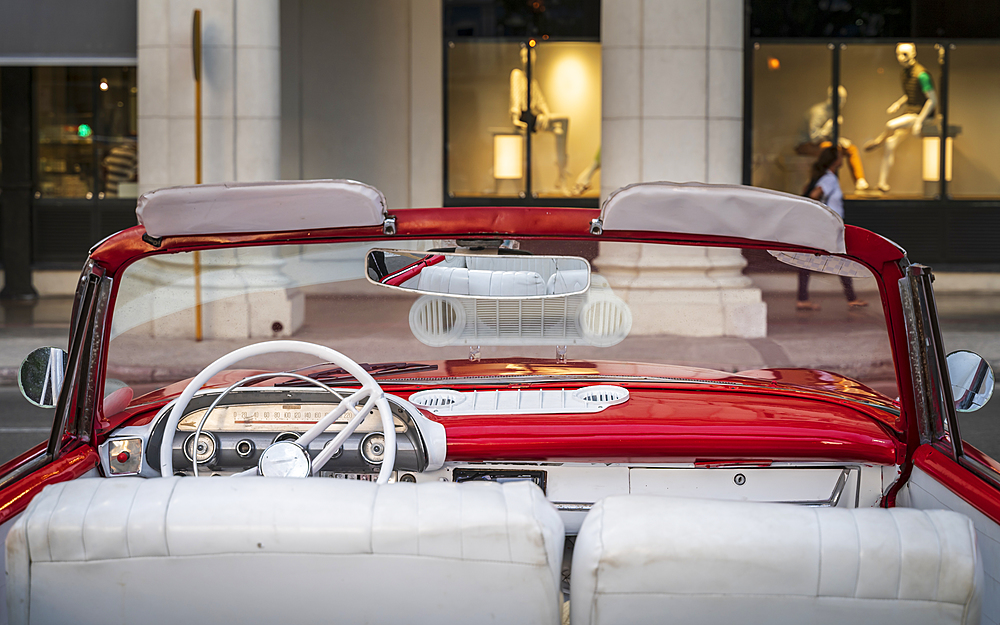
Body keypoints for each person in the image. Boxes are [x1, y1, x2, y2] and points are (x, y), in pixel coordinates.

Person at [797, 146, 868, 311]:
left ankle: (803, 298)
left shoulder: (822, 176)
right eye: (839, 156)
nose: (842, 158)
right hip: (828, 226)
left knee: (810, 259)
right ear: (834, 160)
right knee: (840, 259)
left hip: (825, 225)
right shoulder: (829, 179)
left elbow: (807, 192)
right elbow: (813, 195)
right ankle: (851, 298)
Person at [863, 43, 938, 193]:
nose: (901, 58)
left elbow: (932, 100)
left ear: (913, 53)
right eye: (898, 54)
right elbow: (911, 93)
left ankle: (878, 141)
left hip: (921, 115)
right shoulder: (905, 73)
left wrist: (919, 122)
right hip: (910, 112)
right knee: (890, 145)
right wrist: (898, 104)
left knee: (891, 125)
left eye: (904, 54)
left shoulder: (922, 74)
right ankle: (882, 184)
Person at [795, 86, 869, 192]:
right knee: (831, 150)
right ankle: (820, 184)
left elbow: (828, 137)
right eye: (841, 98)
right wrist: (828, 127)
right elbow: (814, 138)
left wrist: (839, 140)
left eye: (844, 99)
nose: (843, 102)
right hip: (804, 144)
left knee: (851, 149)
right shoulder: (818, 112)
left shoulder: (833, 113)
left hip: (821, 143)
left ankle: (860, 180)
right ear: (832, 98)